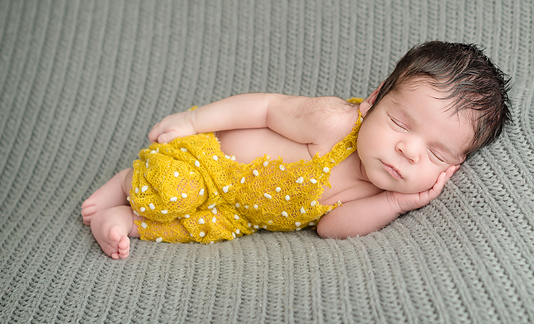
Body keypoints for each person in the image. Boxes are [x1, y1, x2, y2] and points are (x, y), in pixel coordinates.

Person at [82, 41, 511, 259]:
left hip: (238, 212)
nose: (408, 151)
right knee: (176, 189)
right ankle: (125, 182)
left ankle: (128, 222)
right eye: (401, 122)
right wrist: (195, 122)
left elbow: (330, 228)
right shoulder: (335, 122)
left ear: (456, 166)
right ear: (374, 100)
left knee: (198, 228)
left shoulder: (378, 192)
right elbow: (267, 108)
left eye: (438, 155)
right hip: (206, 162)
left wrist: (398, 203)